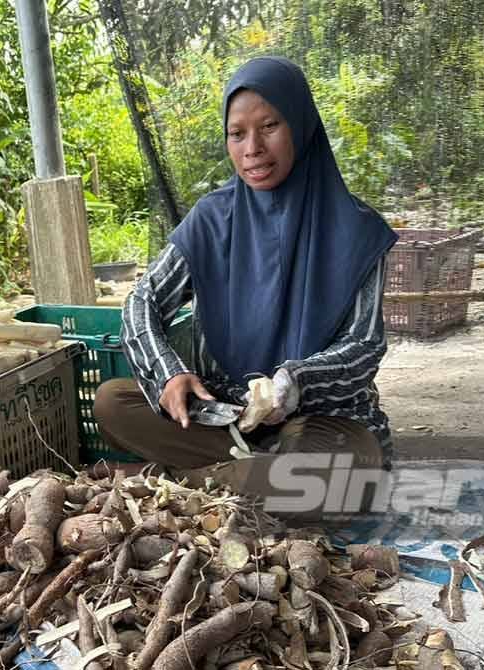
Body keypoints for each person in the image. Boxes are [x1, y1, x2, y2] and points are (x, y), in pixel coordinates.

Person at [93, 57, 399, 500]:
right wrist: (169, 375)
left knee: (333, 466)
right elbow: (142, 301)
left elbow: (363, 348)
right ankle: (245, 479)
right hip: (223, 413)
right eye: (237, 134)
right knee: (113, 402)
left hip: (321, 421)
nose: (251, 148)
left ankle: (185, 482)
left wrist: (294, 383)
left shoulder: (357, 231)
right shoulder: (212, 219)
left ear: (300, 126)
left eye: (270, 126)